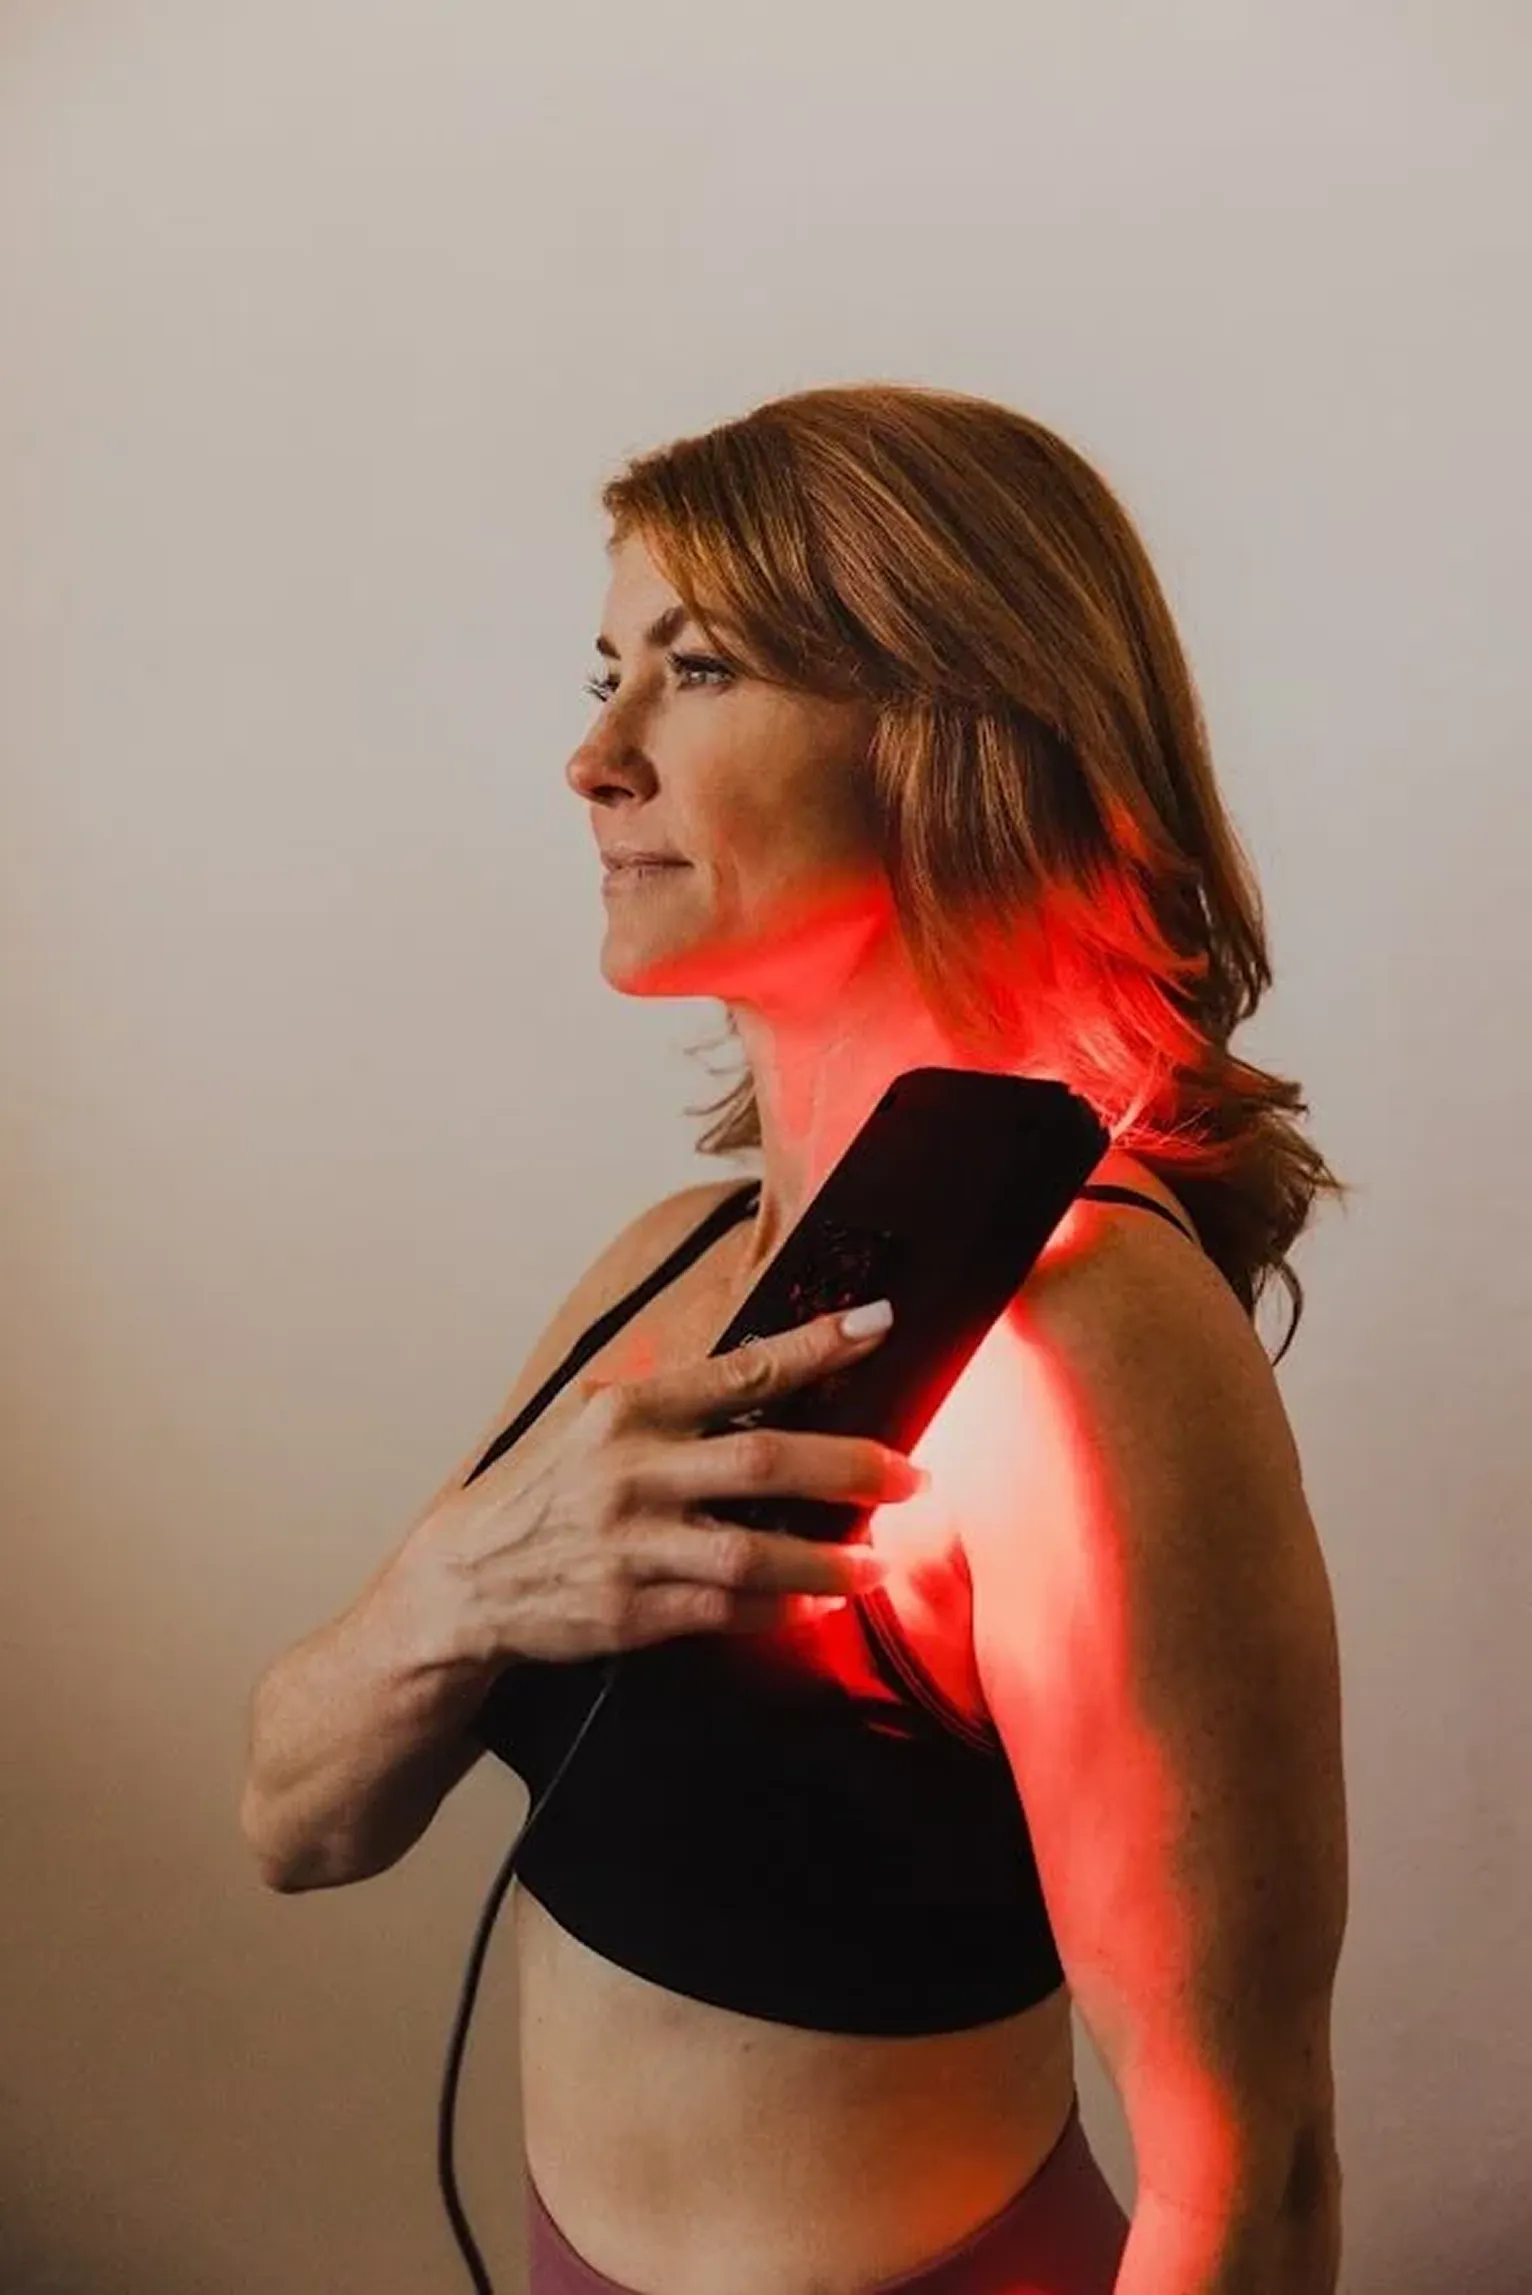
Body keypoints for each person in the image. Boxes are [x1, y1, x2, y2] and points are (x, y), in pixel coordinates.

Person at [240, 383, 1349, 2295]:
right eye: (605, 674)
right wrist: (462, 1585)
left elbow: (1252, 2176)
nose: (596, 758)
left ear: (949, 727)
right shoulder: (663, 1265)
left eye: (699, 670)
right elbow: (297, 1821)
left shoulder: (1087, 1339)